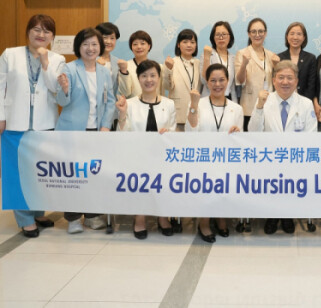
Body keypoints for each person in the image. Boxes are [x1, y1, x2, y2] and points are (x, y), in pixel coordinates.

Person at [0, 14, 64, 238]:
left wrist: (46, 63)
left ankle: (38, 212)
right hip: (14, 123)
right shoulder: (10, 54)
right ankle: (25, 219)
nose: (41, 34)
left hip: (45, 125)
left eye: (47, 31)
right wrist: (0, 116)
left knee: (40, 173)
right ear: (28, 32)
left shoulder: (57, 59)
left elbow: (55, 90)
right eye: (36, 29)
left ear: (53, 36)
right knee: (16, 173)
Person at [56, 27, 115, 234]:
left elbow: (110, 101)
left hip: (96, 132)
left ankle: (91, 216)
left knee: (93, 174)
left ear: (100, 47)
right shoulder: (70, 68)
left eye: (94, 44)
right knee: (73, 175)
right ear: (78, 47)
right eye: (85, 44)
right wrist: (64, 90)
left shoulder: (104, 71)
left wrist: (106, 125)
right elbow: (61, 101)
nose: (90, 48)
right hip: (72, 131)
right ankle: (73, 218)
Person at [248, 60, 318, 234]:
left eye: (289, 78)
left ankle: (288, 216)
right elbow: (253, 131)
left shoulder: (306, 103)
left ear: (297, 81)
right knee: (272, 187)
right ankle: (272, 216)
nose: (285, 82)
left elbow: (311, 134)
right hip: (269, 157)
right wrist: (259, 107)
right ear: (273, 80)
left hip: (295, 157)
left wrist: (296, 154)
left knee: (290, 187)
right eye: (281, 78)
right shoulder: (264, 100)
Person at [116, 60, 176, 239]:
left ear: (159, 78)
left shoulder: (169, 103)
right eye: (144, 76)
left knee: (164, 182)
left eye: (152, 75)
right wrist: (122, 114)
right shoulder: (129, 103)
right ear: (138, 78)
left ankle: (163, 217)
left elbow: (174, 131)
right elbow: (122, 134)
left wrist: (168, 133)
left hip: (162, 156)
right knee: (139, 183)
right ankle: (139, 218)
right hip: (137, 156)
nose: (149, 80)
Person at [186, 63, 243, 243]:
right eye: (213, 80)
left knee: (225, 186)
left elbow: (241, 139)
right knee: (206, 188)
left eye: (221, 80)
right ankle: (204, 222)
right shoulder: (198, 103)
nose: (217, 84)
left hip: (227, 159)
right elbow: (190, 130)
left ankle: (221, 218)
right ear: (207, 82)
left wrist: (237, 132)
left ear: (228, 81)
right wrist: (193, 105)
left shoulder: (236, 108)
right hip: (203, 158)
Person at [235, 17, 279, 130]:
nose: (257, 35)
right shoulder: (242, 53)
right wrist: (244, 64)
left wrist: (276, 66)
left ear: (265, 33)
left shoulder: (271, 55)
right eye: (254, 31)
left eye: (261, 31)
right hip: (249, 106)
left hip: (269, 105)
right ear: (248, 34)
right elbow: (240, 81)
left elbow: (277, 82)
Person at [163, 29, 202, 131]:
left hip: (197, 116)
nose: (189, 45)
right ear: (178, 45)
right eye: (185, 42)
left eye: (192, 42)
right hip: (178, 115)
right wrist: (169, 69)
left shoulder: (199, 63)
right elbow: (167, 87)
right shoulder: (171, 62)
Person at [278, 22, 317, 101]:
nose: (295, 37)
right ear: (287, 36)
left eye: (299, 34)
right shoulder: (279, 58)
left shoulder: (310, 58)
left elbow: (311, 85)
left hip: (304, 102)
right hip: (283, 101)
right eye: (292, 34)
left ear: (304, 37)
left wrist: (303, 103)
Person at [201, 21, 237, 102]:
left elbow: (235, 85)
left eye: (224, 34)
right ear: (213, 38)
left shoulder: (234, 58)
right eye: (217, 35)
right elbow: (204, 80)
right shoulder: (207, 55)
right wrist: (207, 58)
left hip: (229, 99)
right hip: (210, 99)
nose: (221, 38)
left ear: (230, 36)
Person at [96, 22, 121, 129]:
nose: (108, 41)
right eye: (104, 37)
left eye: (112, 38)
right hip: (93, 111)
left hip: (111, 111)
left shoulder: (117, 62)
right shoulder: (90, 60)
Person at [117, 30, 154, 98]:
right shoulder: (125, 66)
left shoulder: (157, 67)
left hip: (154, 103)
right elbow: (125, 93)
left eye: (142, 43)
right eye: (135, 44)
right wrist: (124, 72)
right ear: (131, 47)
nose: (139, 47)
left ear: (149, 46)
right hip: (133, 104)